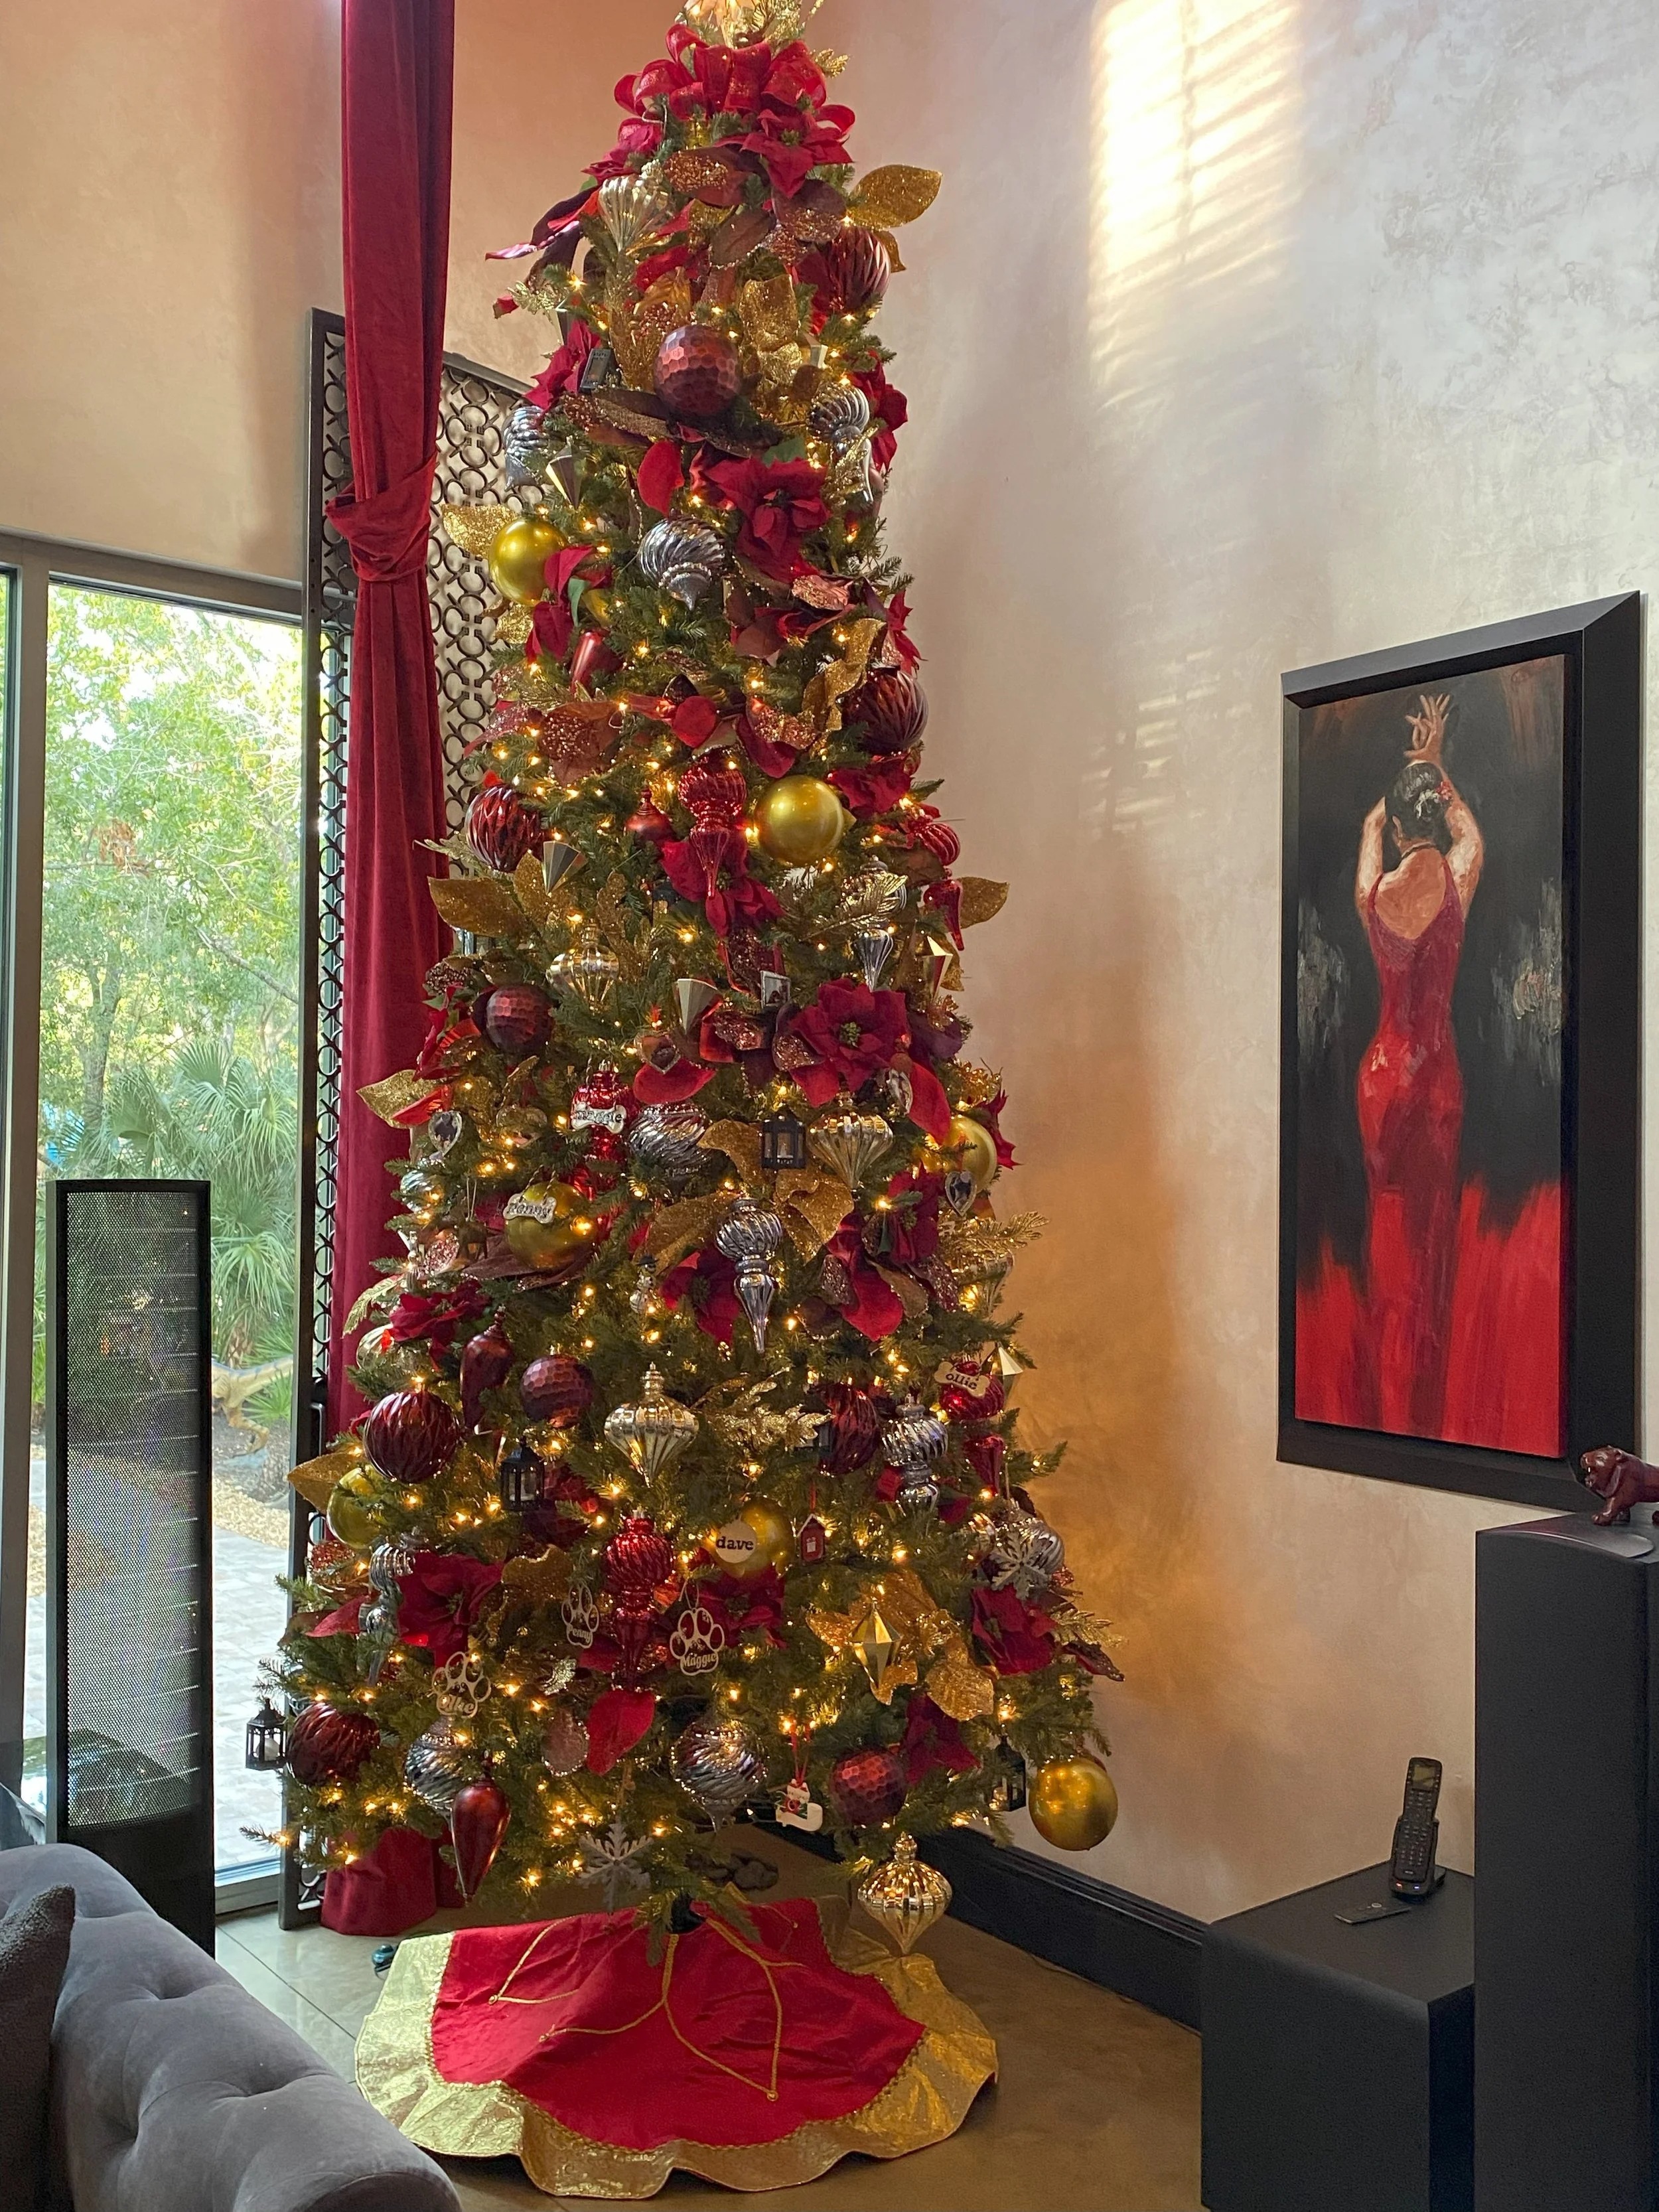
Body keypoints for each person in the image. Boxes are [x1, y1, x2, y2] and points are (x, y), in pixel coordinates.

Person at [1353, 694, 1484, 1435]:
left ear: (1400, 826)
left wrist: (1397, 798)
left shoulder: (1372, 896)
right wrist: (1434, 768)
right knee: (1433, 1231)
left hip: (1380, 1080)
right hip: (1436, 1079)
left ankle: (1387, 1383)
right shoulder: (1460, 879)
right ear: (1433, 817)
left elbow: (1373, 827)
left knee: (1387, 1226)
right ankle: (1425, 1386)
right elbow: (1467, 831)